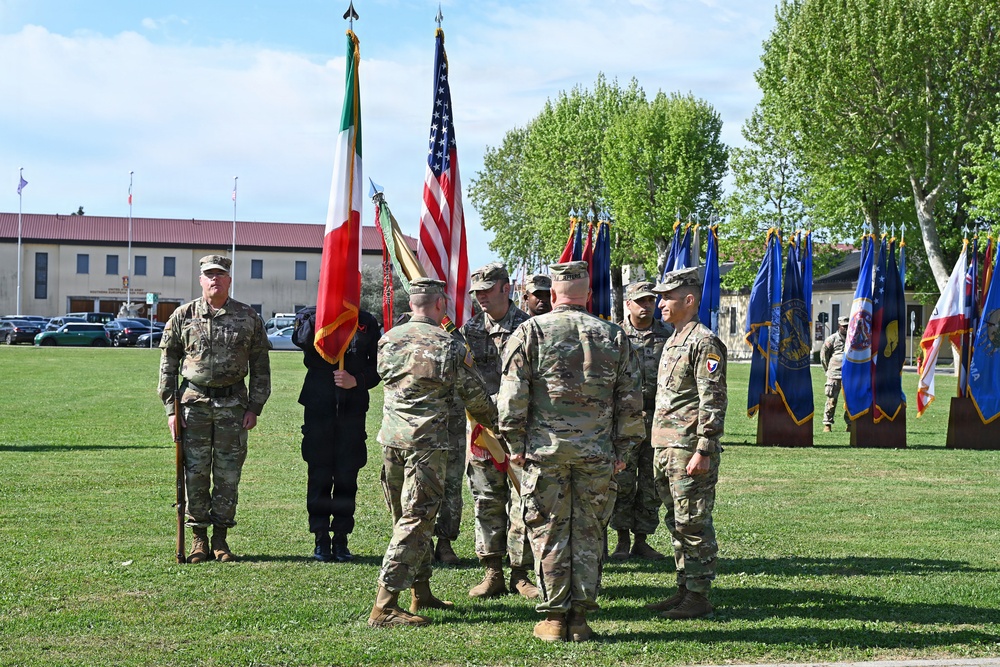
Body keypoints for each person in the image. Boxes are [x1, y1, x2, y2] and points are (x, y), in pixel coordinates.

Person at [498, 261, 644, 642]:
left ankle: (554, 619)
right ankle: (578, 618)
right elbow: (631, 401)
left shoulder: (530, 331)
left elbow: (513, 396)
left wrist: (514, 445)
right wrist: (623, 449)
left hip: (544, 453)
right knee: (590, 533)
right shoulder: (613, 335)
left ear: (554, 294)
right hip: (597, 453)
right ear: (588, 294)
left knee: (548, 532)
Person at [369, 278, 497, 628]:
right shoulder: (449, 344)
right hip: (428, 445)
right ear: (440, 305)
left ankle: (420, 590)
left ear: (412, 305)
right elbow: (474, 396)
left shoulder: (388, 339)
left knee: (404, 517)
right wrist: (494, 419)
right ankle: (385, 606)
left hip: (392, 441)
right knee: (416, 520)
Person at [158, 254, 271, 563]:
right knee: (194, 474)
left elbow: (261, 367)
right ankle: (198, 539)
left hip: (234, 406)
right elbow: (168, 366)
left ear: (229, 279)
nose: (214, 279)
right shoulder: (182, 316)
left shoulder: (248, 317)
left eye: (220, 274)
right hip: (193, 405)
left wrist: (255, 407)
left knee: (227, 475)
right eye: (209, 274)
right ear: (200, 280)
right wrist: (171, 409)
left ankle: (220, 538)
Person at [647, 266, 727, 620]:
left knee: (693, 521)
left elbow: (713, 399)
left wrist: (704, 449)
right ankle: (684, 588)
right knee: (675, 521)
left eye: (667, 297)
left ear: (689, 299)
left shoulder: (703, 341)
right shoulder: (672, 339)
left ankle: (699, 596)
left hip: (688, 449)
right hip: (665, 446)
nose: (661, 303)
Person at [460, 262, 538, 599]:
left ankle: (521, 574)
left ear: (506, 288)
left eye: (487, 291)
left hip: (523, 431)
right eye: (476, 293)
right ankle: (492, 572)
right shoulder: (468, 331)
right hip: (483, 432)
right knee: (486, 501)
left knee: (524, 503)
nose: (481, 298)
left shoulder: (531, 328)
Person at [293, 306, 381, 562]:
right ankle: (320, 538)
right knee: (319, 474)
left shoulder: (366, 321)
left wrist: (357, 380)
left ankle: (341, 538)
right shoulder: (311, 315)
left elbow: (377, 367)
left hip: (352, 410)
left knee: (346, 476)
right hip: (319, 406)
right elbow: (300, 340)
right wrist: (324, 315)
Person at [610, 281, 674, 561]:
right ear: (628, 304)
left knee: (652, 482)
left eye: (650, 301)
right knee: (622, 480)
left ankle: (642, 540)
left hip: (657, 418)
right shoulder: (614, 335)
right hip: (624, 419)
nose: (647, 306)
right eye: (640, 301)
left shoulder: (668, 334)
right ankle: (621, 539)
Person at [821, 316, 850, 432]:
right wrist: (828, 370)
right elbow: (824, 356)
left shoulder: (853, 339)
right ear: (839, 326)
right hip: (834, 374)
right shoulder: (832, 339)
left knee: (849, 401)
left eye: (848, 326)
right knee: (831, 400)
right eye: (844, 326)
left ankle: (850, 424)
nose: (846, 329)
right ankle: (827, 424)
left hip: (849, 375)